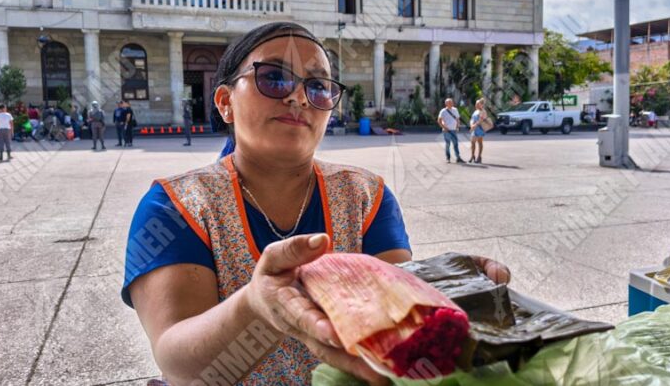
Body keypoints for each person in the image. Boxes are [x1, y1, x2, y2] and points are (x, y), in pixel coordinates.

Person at [121, 22, 511, 386]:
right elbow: (182, 368)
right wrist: (257, 306)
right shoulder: (175, 207)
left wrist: (450, 286)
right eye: (273, 77)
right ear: (225, 101)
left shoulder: (366, 195)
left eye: (318, 86)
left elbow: (394, 313)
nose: (297, 96)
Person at [437, 98, 465, 163]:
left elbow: (457, 119)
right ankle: (448, 158)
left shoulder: (455, 110)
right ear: (446, 104)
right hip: (446, 131)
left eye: (451, 102)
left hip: (454, 130)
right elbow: (439, 120)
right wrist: (444, 127)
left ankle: (458, 158)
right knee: (448, 144)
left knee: (455, 144)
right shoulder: (443, 111)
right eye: (449, 102)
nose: (451, 103)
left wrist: (458, 127)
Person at [469, 98, 489, 164]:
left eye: (478, 104)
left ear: (481, 105)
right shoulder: (475, 111)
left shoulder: (483, 111)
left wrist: (474, 125)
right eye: (476, 104)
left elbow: (481, 120)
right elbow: (472, 119)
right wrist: (471, 124)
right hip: (474, 128)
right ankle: (473, 156)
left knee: (479, 142)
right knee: (473, 142)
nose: (476, 105)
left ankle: (479, 156)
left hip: (480, 128)